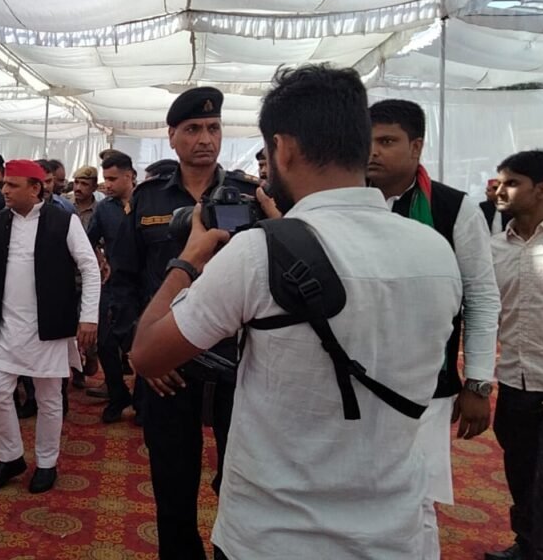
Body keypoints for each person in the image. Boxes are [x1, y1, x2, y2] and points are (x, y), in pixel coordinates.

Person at [131, 64, 463, 560]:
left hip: (274, 533)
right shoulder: (436, 251)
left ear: (282, 148)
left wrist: (189, 259)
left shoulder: (258, 251)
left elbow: (146, 354)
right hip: (394, 532)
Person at [109, 85, 257, 560]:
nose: (205, 139)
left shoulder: (248, 196)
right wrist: (140, 353)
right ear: (172, 137)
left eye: (213, 128)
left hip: (238, 364)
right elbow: (124, 281)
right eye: (192, 129)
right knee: (172, 486)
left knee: (242, 481)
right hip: (168, 367)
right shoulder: (148, 198)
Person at [368, 99, 501, 559]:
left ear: (417, 146)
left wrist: (478, 382)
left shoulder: (452, 208)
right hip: (353, 376)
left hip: (427, 384)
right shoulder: (345, 200)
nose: (373, 152)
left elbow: (480, 297)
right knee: (358, 494)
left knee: (415, 498)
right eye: (367, 141)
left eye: (387, 141)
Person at [0, 159, 100, 494]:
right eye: (5, 184)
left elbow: (89, 266)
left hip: (48, 327)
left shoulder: (64, 220)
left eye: (12, 185)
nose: (5, 191)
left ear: (35, 188)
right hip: (4, 327)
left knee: (49, 398)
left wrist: (89, 317)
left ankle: (47, 462)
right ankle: (10, 457)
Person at [486, 149, 543, 560]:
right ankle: (526, 545)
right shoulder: (493, 249)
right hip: (513, 381)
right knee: (519, 473)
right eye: (500, 181)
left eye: (512, 183)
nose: (500, 190)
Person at [86, 151, 138, 423]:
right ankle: (118, 396)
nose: (107, 184)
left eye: (113, 179)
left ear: (129, 176)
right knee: (105, 343)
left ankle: (143, 401)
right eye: (105, 178)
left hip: (142, 287)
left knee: (138, 346)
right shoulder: (104, 208)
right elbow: (88, 240)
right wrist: (99, 258)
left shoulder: (146, 203)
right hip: (112, 284)